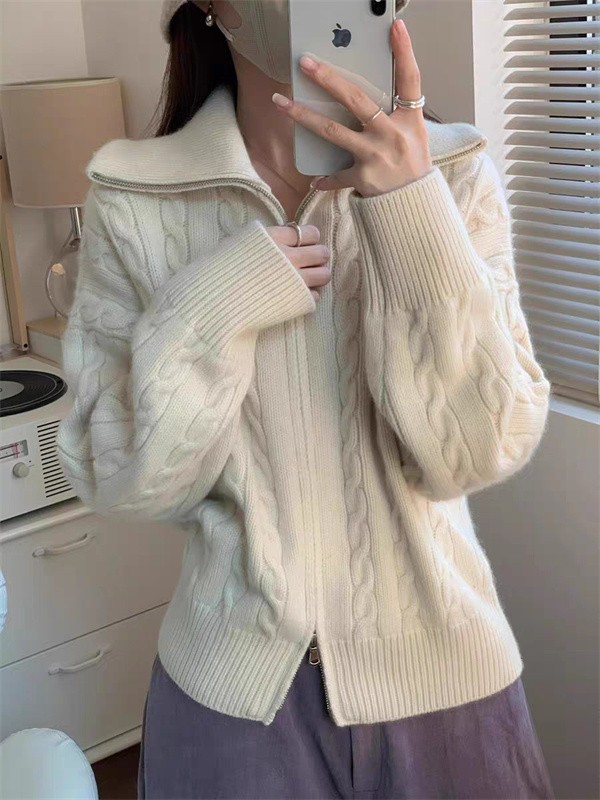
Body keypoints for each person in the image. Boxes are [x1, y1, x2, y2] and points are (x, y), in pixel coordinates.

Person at [56, 1, 556, 797]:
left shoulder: (457, 174)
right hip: (231, 702)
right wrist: (212, 306)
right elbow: (124, 480)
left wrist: (412, 206)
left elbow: (480, 448)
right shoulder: (136, 198)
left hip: (445, 685)